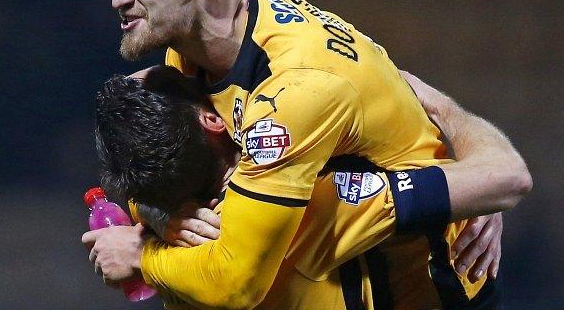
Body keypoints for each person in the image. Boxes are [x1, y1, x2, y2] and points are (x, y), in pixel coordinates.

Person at [82, 0, 532, 308]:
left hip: (429, 294)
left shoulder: (299, 87)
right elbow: (173, 171)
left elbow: (236, 282)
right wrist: (165, 216)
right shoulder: (192, 50)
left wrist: (144, 254)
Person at [89, 66, 517, 308]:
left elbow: (146, 181)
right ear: (211, 118)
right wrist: (447, 123)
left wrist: (148, 244)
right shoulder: (315, 204)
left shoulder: (169, 229)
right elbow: (503, 178)